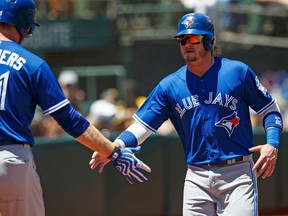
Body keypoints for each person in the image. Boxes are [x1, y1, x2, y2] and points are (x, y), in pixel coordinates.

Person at [90, 12, 283, 215]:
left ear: (208, 40)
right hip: (196, 176)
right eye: (182, 39)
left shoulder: (237, 72)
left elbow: (270, 110)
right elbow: (142, 126)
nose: (187, 44)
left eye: (193, 38)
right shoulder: (170, 85)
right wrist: (113, 146)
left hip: (236, 173)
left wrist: (272, 143)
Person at [0, 0, 151, 215]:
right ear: (26, 25)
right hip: (12, 160)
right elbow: (69, 119)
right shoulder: (32, 64)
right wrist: (112, 152)